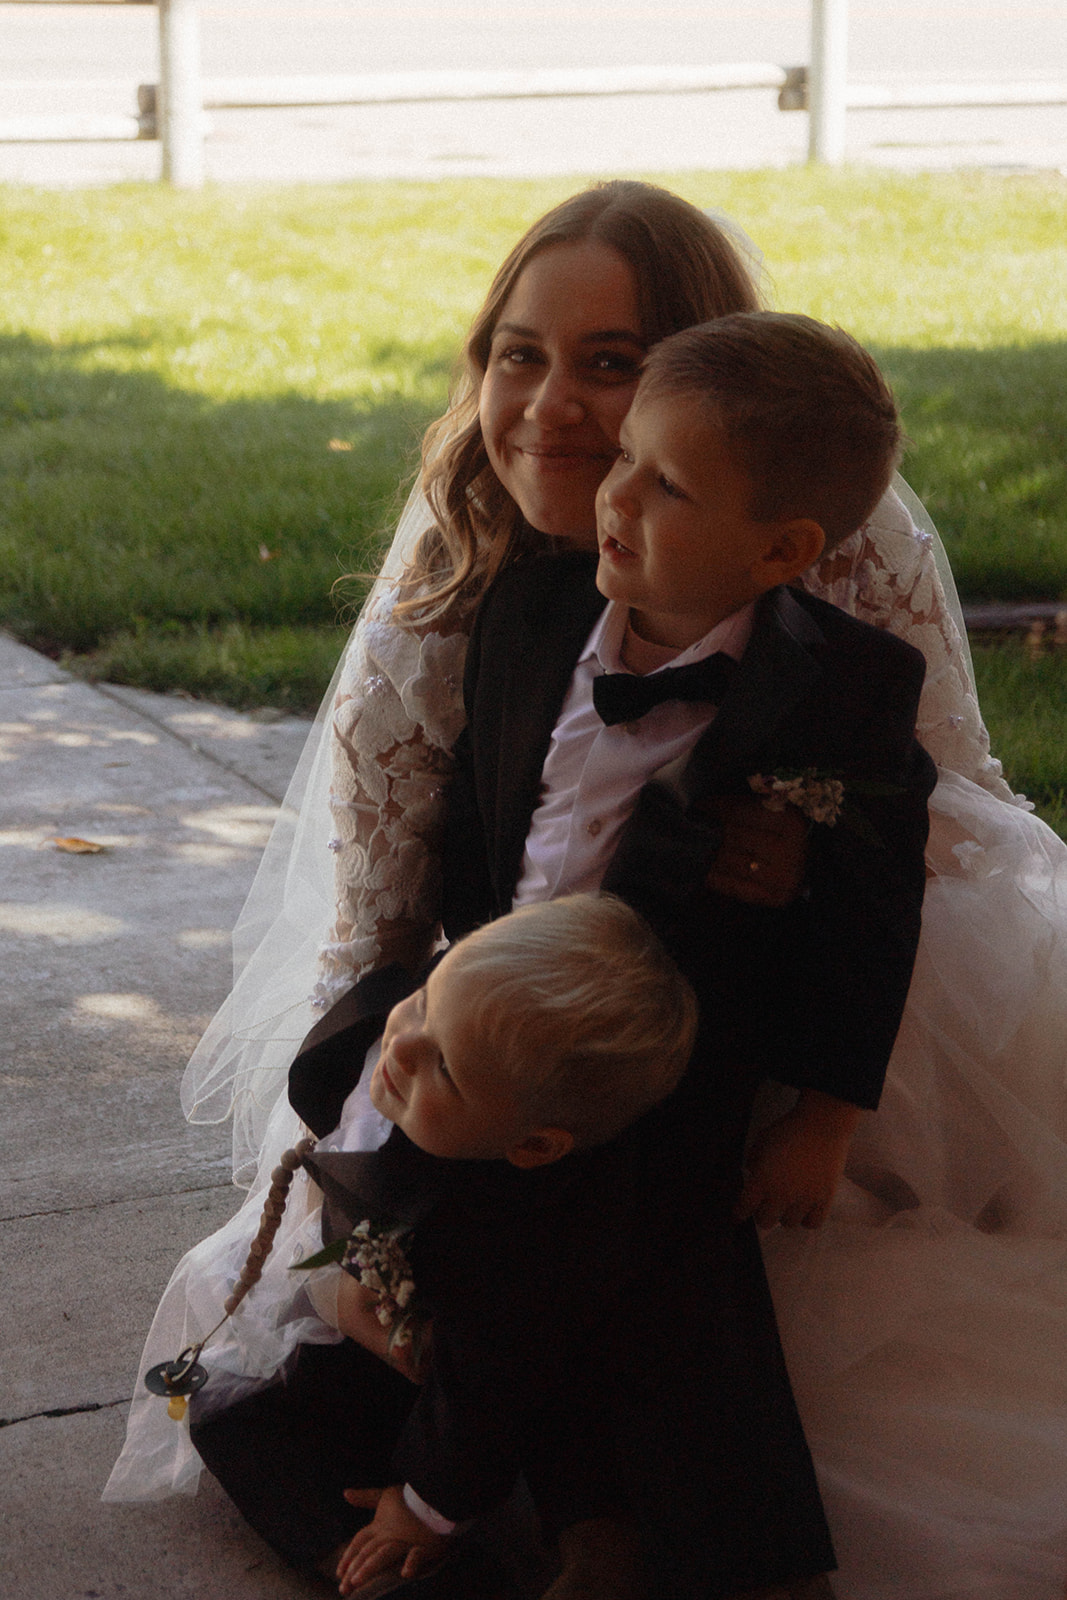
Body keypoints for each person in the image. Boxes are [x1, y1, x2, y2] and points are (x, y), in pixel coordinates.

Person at [106, 181, 1067, 1595]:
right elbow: (383, 918)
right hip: (500, 1021)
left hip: (736, 1029)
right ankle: (468, 1497)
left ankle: (675, 1533)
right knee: (367, 1315)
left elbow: (921, 830)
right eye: (516, 352)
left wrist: (815, 1066)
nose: (552, 411)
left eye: (609, 365)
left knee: (686, 1306)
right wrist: (371, 1131)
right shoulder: (489, 594)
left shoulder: (832, 586)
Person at [192, 892, 699, 1594]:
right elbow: (345, 1146)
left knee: (534, 1455)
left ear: (532, 1145)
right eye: (427, 999)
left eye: (447, 1069)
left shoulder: (510, 1243)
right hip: (408, 1352)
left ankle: (431, 1565)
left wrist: (424, 1508)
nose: (401, 1045)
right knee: (228, 1418)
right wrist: (345, 1296)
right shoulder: (405, 1045)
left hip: (491, 1399)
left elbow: (488, 1388)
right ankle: (362, 1540)